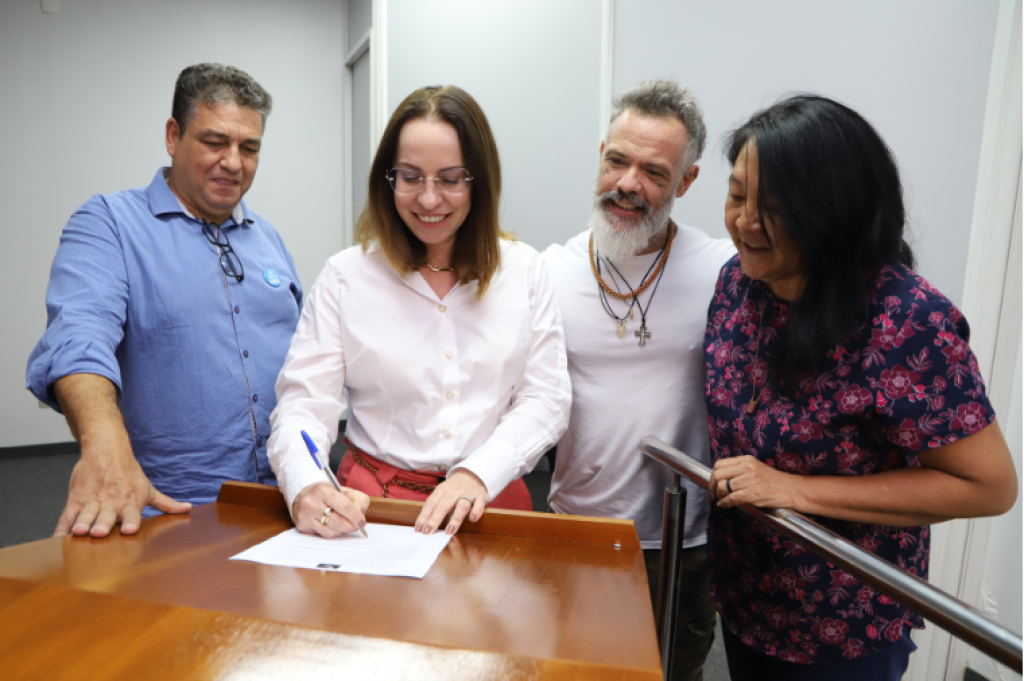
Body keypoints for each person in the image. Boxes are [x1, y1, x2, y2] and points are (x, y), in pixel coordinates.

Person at [704, 94, 1018, 680]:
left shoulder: (906, 323)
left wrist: (795, 491)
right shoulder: (737, 285)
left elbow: (989, 487)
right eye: (737, 195)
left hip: (843, 621)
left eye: (774, 208)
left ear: (833, 212)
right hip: (747, 594)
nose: (745, 222)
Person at [267, 85, 571, 538]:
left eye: (450, 179)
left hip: (489, 502)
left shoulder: (525, 270)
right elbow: (303, 404)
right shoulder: (345, 276)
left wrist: (477, 474)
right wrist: (305, 483)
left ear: (479, 182)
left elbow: (546, 398)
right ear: (388, 179)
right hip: (374, 509)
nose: (429, 200)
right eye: (410, 177)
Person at [27, 63, 302, 538]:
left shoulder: (269, 239)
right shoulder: (110, 223)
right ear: (174, 136)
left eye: (249, 148)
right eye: (215, 142)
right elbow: (78, 338)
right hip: (170, 513)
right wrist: (103, 445)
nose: (233, 162)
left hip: (284, 506)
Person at [543, 80, 735, 681]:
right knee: (571, 670)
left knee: (674, 672)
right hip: (575, 526)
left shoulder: (723, 270)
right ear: (601, 155)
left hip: (684, 540)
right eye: (617, 161)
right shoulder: (550, 271)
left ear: (687, 181)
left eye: (654, 172)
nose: (628, 183)